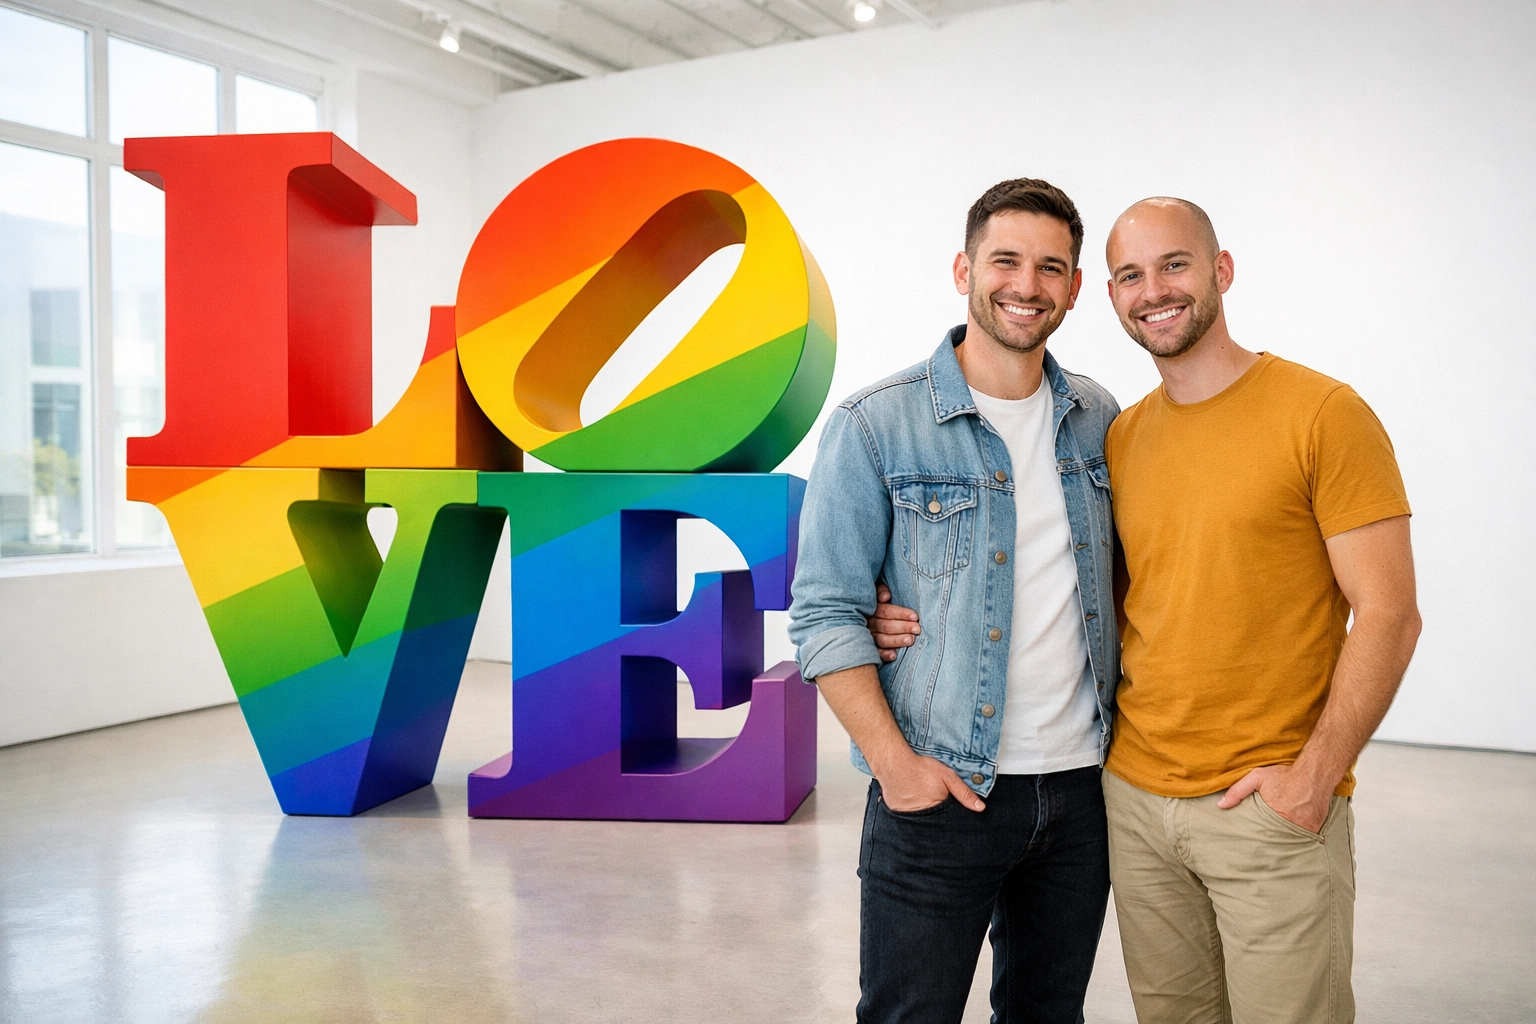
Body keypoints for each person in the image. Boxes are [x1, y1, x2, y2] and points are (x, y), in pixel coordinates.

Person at [869, 197, 1423, 1024]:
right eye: (1132, 274)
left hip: (1265, 805)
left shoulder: (1321, 413)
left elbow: (1389, 613)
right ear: (1110, 293)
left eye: (1175, 265)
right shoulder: (1120, 437)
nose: (1154, 290)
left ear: (1221, 270)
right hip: (1130, 800)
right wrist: (902, 610)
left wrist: (1313, 780)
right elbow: (1102, 593)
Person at [788, 178, 1121, 1024]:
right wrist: (899, 771)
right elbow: (824, 613)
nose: (1027, 284)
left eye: (1052, 267)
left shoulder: (1099, 419)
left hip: (1080, 790)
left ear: (1075, 288)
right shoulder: (875, 425)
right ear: (963, 269)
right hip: (941, 789)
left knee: (1047, 1014)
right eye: (1005, 260)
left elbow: (1119, 582)